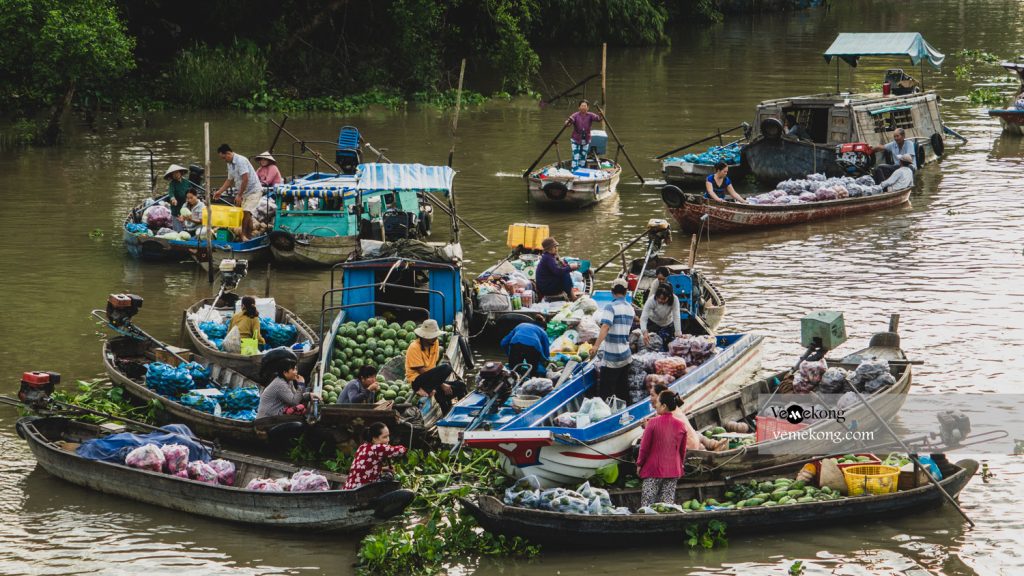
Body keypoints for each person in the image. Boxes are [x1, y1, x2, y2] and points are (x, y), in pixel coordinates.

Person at [636, 390, 688, 508]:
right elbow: (682, 451)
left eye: (658, 403)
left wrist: (639, 464)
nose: (655, 406)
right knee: (666, 506)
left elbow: (644, 448)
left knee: (647, 505)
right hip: (673, 470)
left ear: (664, 406)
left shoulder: (652, 423)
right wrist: (680, 465)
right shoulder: (681, 425)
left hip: (653, 470)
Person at [405, 319, 466, 414]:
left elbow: (433, 368)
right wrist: (440, 384)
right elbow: (421, 370)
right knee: (446, 368)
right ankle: (427, 390)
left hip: (432, 380)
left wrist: (439, 384)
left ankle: (454, 411)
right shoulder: (414, 347)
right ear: (424, 337)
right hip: (418, 381)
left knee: (461, 385)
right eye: (432, 336)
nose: (435, 338)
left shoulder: (435, 343)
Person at [592, 278, 636, 402]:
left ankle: (605, 415)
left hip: (612, 357)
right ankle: (625, 412)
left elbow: (605, 326)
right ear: (626, 292)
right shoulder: (630, 309)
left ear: (612, 292)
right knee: (622, 390)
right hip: (625, 355)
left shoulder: (610, 307)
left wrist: (595, 346)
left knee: (605, 392)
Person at [213, 144, 263, 241]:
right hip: (245, 192)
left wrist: (239, 195)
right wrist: (219, 191)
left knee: (246, 212)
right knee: (245, 214)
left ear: (228, 153)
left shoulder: (241, 160)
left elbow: (245, 179)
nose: (224, 160)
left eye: (224, 158)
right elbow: (229, 180)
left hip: (254, 191)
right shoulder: (229, 163)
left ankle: (243, 236)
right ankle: (249, 236)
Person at [343, 422, 407, 490]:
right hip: (360, 491)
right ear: (374, 438)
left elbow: (365, 468)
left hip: (348, 489)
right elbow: (401, 450)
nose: (388, 439)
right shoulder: (378, 448)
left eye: (388, 436)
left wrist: (384, 468)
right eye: (385, 437)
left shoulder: (363, 446)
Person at [650, 384, 702, 451]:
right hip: (693, 444)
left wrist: (648, 426)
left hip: (687, 449)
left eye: (652, 395)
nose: (650, 399)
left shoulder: (668, 415)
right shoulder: (673, 409)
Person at [534, 237, 579, 302]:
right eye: (554, 247)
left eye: (556, 247)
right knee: (565, 274)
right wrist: (570, 267)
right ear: (548, 249)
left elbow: (561, 267)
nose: (556, 249)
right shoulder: (547, 258)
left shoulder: (551, 256)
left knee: (565, 272)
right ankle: (572, 296)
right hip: (546, 288)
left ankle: (570, 294)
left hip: (548, 284)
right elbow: (558, 271)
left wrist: (568, 266)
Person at [641, 282, 682, 348]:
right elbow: (643, 317)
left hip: (667, 323)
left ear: (669, 297)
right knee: (652, 345)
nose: (660, 300)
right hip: (653, 322)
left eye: (663, 299)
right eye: (658, 298)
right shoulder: (651, 300)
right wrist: (644, 331)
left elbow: (676, 316)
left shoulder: (675, 300)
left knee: (667, 347)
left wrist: (678, 332)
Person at [565, 99, 602, 170]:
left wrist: (601, 115)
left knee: (583, 156)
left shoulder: (590, 115)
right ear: (579, 107)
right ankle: (574, 169)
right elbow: (569, 122)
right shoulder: (575, 115)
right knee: (576, 156)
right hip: (576, 139)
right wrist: (567, 123)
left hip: (586, 139)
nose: (583, 107)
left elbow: (598, 119)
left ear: (588, 108)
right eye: (582, 106)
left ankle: (581, 169)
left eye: (585, 106)